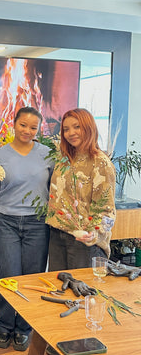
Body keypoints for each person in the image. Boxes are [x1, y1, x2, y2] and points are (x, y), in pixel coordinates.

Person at [0, 107, 53, 351]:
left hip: (38, 223)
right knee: (8, 275)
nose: (27, 131)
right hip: (6, 221)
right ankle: (4, 325)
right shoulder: (0, 155)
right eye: (23, 125)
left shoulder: (48, 155)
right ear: (13, 124)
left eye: (33, 127)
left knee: (32, 276)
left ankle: (24, 328)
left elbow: (56, 190)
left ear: (39, 130)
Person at [46, 108, 116, 270]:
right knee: (59, 288)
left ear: (88, 127)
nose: (71, 133)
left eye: (77, 127)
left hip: (84, 240)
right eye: (66, 129)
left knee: (82, 291)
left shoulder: (100, 163)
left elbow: (107, 209)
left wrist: (94, 233)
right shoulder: (64, 160)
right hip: (58, 233)